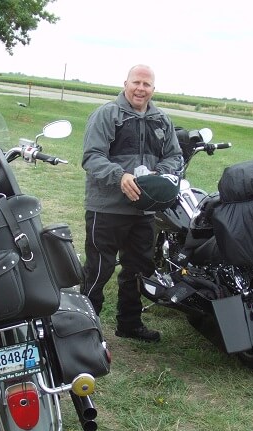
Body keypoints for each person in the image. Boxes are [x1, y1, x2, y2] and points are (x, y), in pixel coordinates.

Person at [80, 64, 183, 342]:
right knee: (98, 269)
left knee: (138, 269)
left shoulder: (161, 120)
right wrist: (120, 176)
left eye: (146, 84)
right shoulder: (107, 115)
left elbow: (175, 156)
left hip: (145, 210)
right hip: (107, 207)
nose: (141, 88)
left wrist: (161, 174)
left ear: (153, 89)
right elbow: (91, 157)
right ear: (126, 83)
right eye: (136, 82)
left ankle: (129, 324)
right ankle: (84, 330)